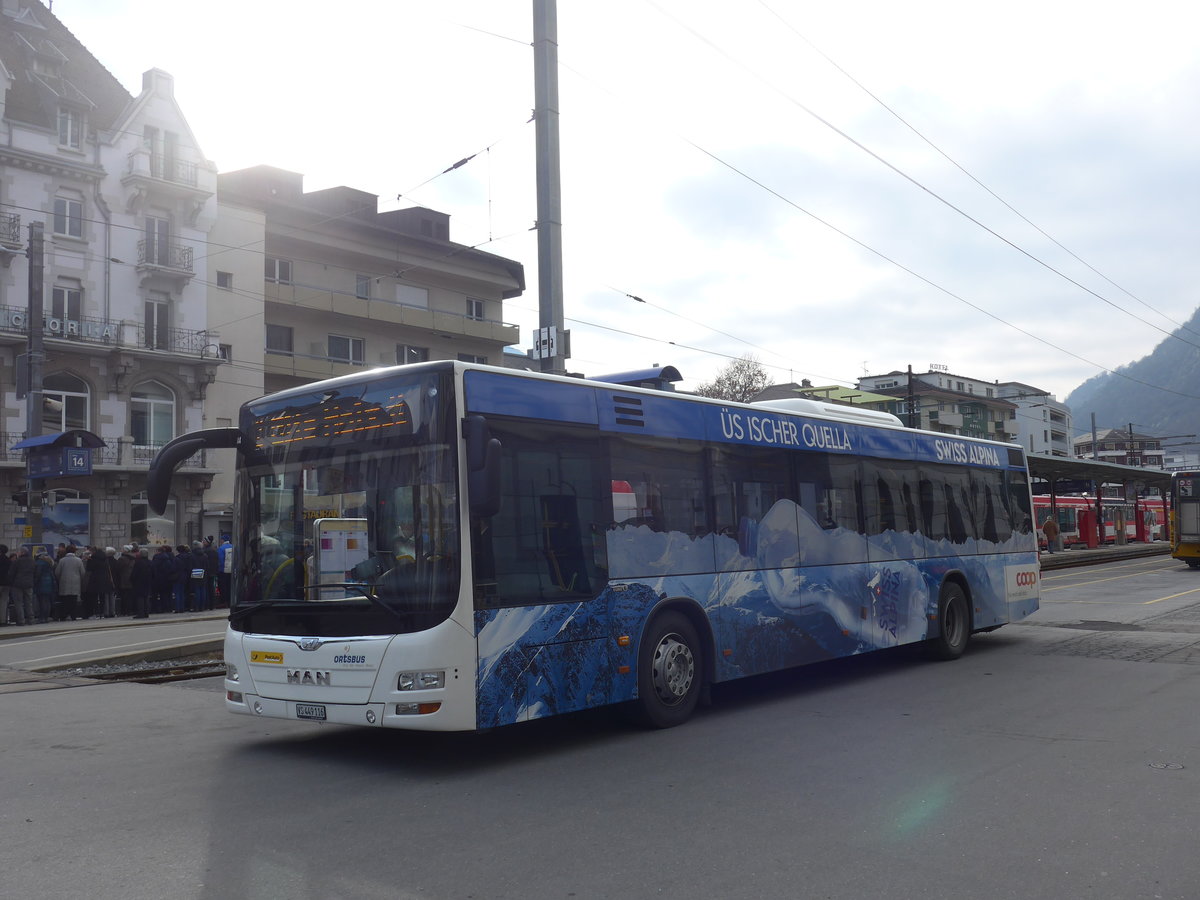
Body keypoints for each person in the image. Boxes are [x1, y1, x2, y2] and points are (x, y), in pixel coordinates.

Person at [54, 546, 85, 621]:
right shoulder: (79, 560)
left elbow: (57, 572)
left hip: (64, 583)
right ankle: (73, 615)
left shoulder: (62, 560)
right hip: (75, 583)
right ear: (74, 551)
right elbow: (83, 573)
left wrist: (60, 579)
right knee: (73, 601)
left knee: (65, 601)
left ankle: (64, 615)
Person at [9, 547, 35, 626]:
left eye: (19, 552)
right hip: (29, 584)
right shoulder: (32, 561)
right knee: (29, 603)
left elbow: (11, 573)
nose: (18, 553)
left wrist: (11, 582)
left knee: (18, 603)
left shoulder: (17, 561)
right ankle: (31, 620)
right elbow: (35, 573)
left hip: (17, 585)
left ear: (22, 553)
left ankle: (21, 620)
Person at [33, 549, 56, 624]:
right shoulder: (49, 562)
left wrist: (34, 582)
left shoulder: (40, 563)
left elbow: (38, 574)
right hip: (49, 583)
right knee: (47, 601)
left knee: (42, 601)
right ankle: (46, 617)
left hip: (41, 583)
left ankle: (42, 617)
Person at [131, 548, 153, 618]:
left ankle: (141, 613)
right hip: (148, 582)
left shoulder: (138, 563)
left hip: (139, 582)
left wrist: (132, 580)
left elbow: (134, 574)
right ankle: (146, 613)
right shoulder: (150, 562)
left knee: (140, 598)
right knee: (146, 597)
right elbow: (154, 573)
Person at [217, 535, 234, 608]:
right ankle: (231, 601)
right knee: (230, 586)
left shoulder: (221, 549)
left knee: (223, 587)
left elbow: (220, 560)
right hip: (232, 570)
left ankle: (224, 601)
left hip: (223, 570)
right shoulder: (233, 546)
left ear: (223, 540)